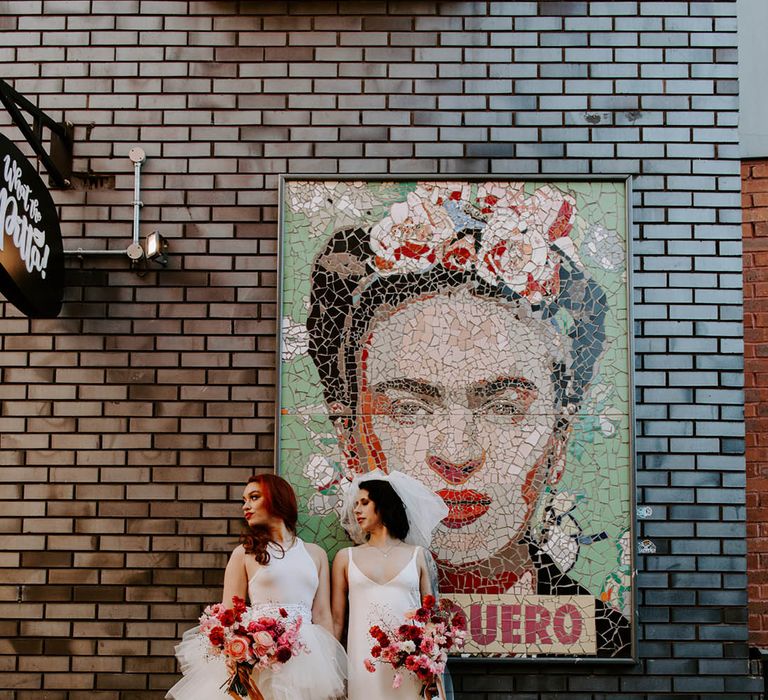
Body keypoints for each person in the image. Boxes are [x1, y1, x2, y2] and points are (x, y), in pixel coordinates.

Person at [305, 181, 630, 657]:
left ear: (558, 439)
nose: (456, 456)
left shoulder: (607, 637)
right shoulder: (331, 623)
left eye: (503, 408)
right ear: (348, 435)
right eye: (410, 409)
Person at [167, 474, 346, 700]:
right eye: (244, 500)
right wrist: (238, 654)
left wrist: (328, 666)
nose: (246, 506)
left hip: (307, 656)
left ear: (278, 500)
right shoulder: (244, 553)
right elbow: (229, 615)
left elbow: (321, 615)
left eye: (254, 497)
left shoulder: (315, 554)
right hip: (261, 656)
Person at [331, 471, 448, 700]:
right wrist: (333, 670)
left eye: (364, 503)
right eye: (355, 504)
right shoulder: (346, 557)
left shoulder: (419, 556)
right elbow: (337, 621)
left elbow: (432, 618)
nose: (357, 510)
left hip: (409, 664)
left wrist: (432, 664)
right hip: (362, 662)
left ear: (384, 505)